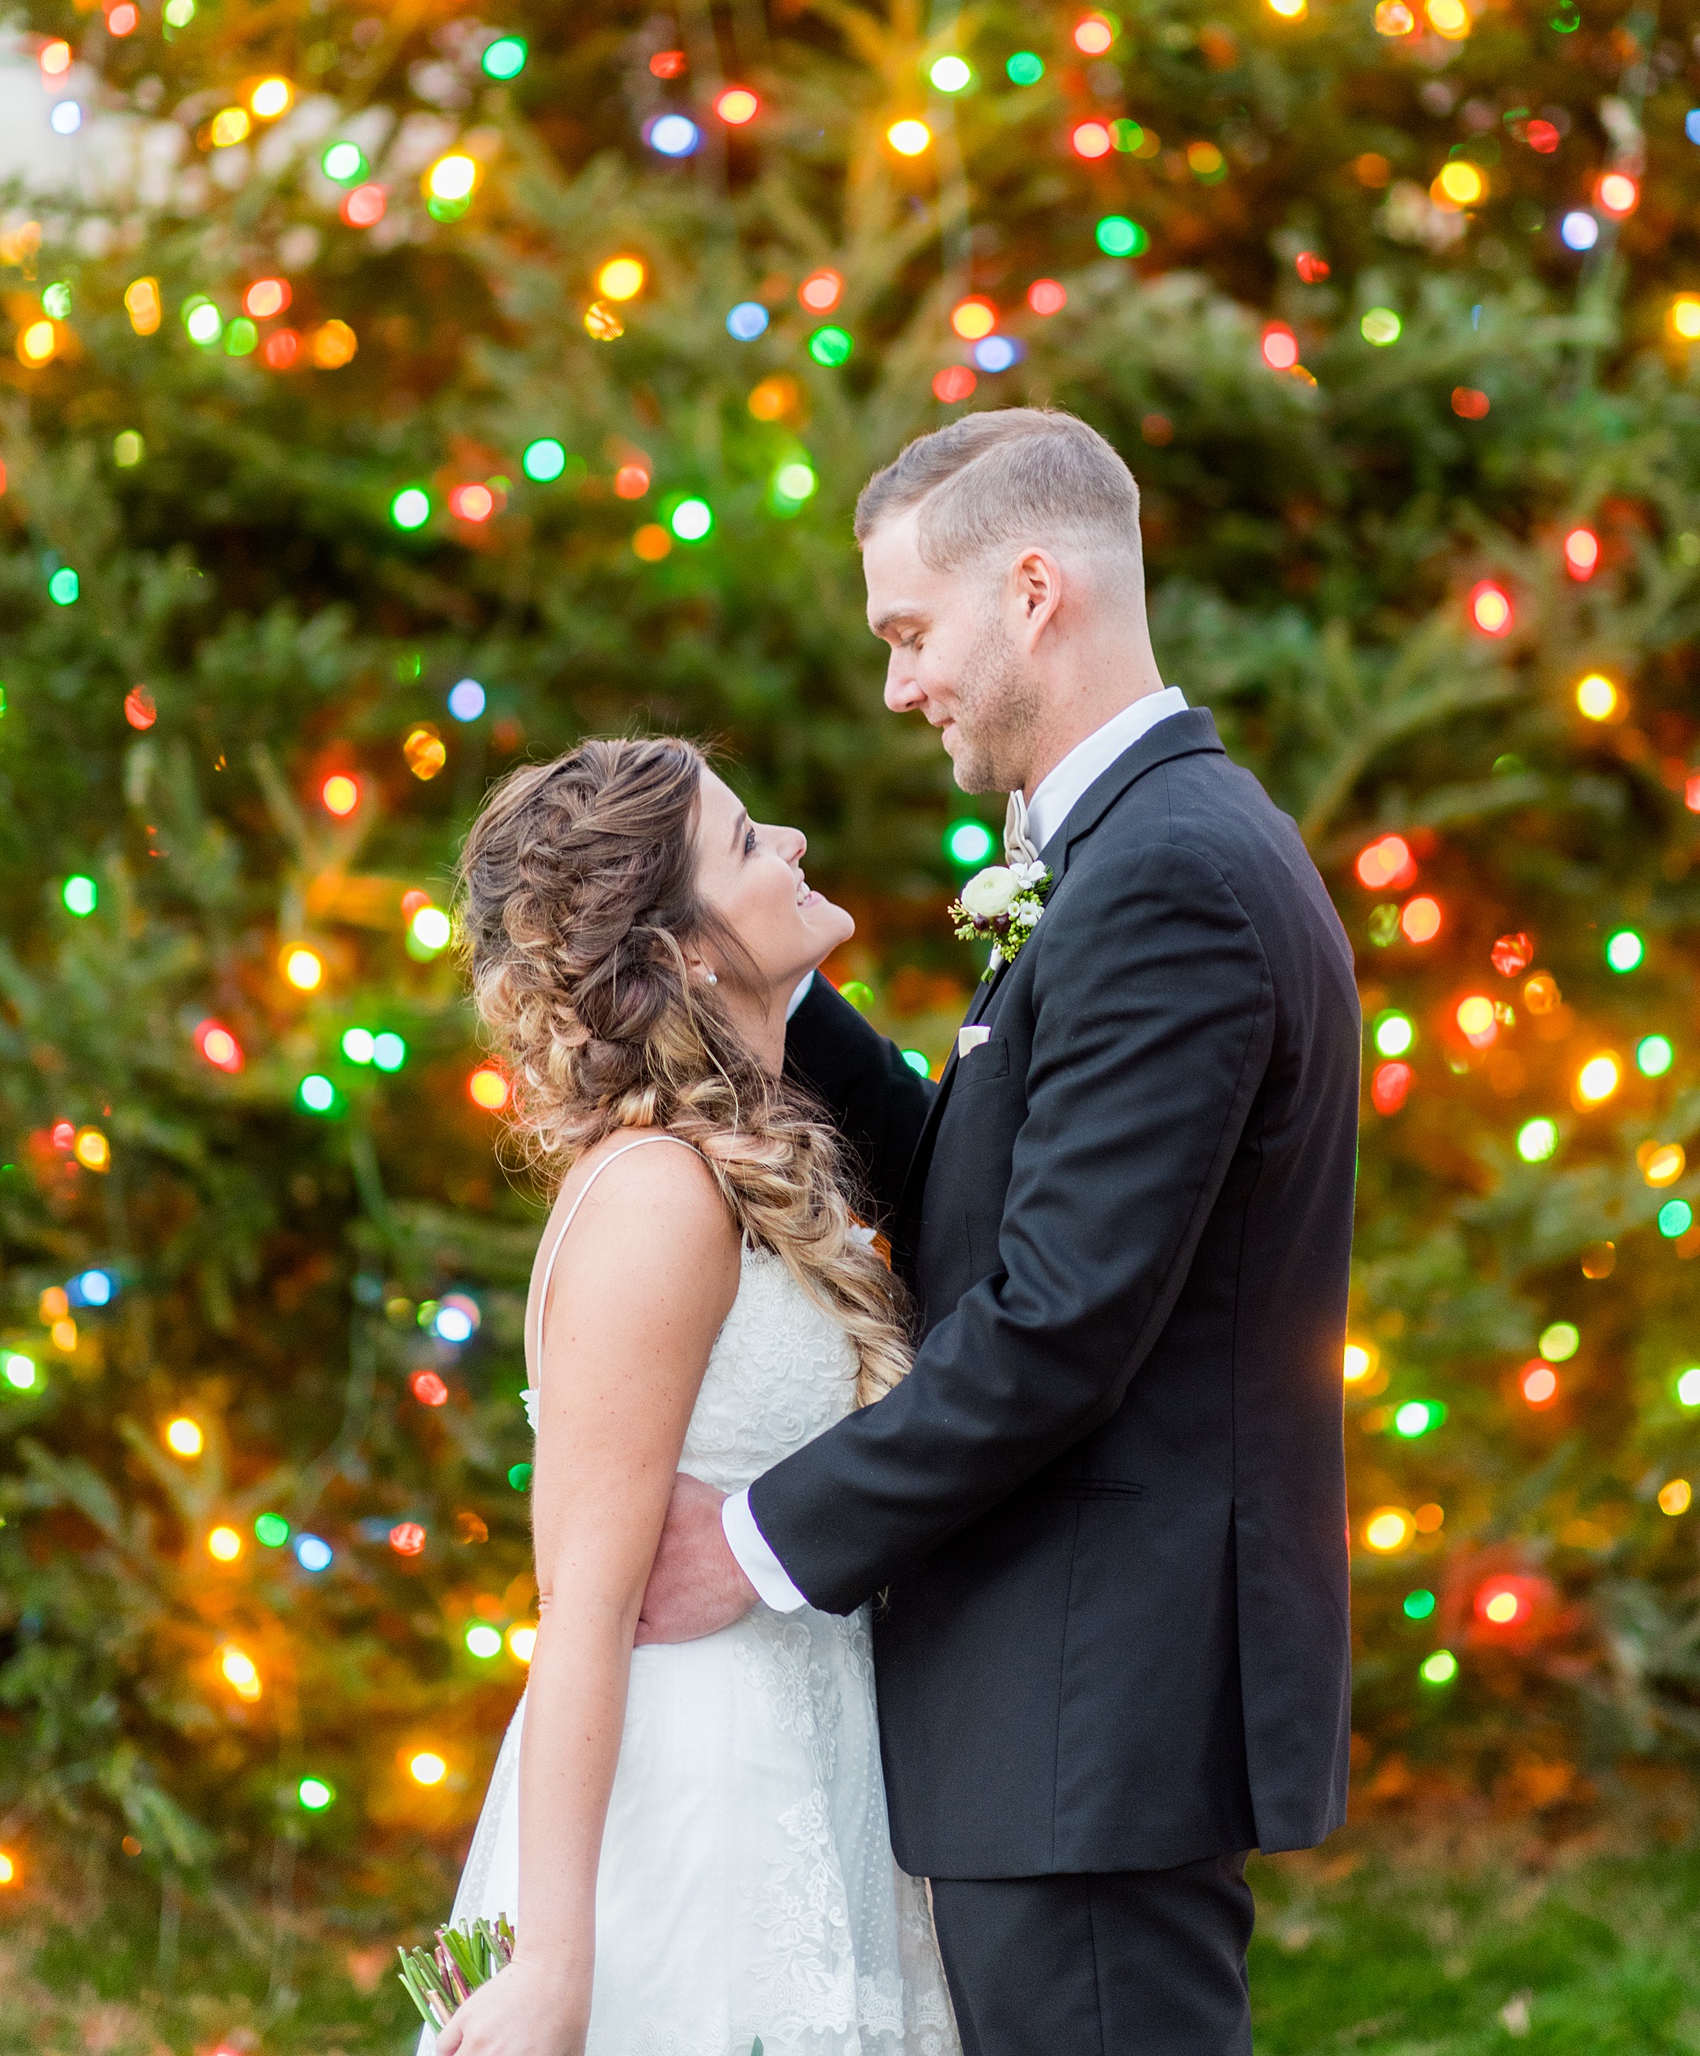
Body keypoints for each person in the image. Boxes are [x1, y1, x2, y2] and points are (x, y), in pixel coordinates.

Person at [637, 409, 1361, 2056]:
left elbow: (1055, 1320)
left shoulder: (1168, 874)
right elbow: (979, 1192)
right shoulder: (1123, 854)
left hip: (1092, 1703)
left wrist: (751, 1543)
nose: (898, 684)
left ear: (1034, 588)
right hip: (1059, 1706)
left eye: (910, 630)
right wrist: (775, 990)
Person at [431, 736, 960, 2056]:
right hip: (698, 1808)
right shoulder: (658, 1193)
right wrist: (557, 1960)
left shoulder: (753, 1155)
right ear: (690, 956)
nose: (786, 843)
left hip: (812, 1766)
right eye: (743, 842)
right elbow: (585, 1606)